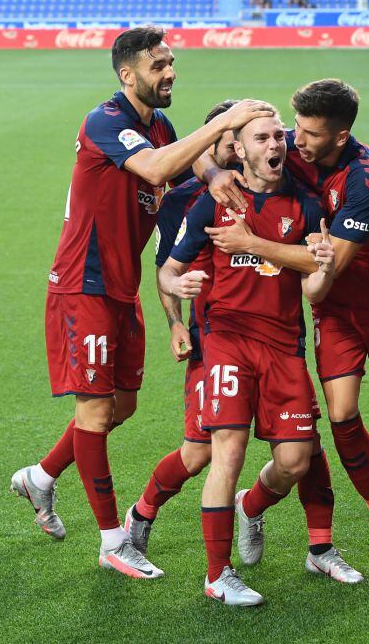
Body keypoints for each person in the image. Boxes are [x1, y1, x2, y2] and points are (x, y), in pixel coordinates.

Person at [8, 26, 271, 580]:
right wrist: (223, 123)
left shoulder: (159, 124)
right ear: (127, 74)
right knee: (96, 412)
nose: (170, 71)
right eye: (158, 65)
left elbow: (188, 162)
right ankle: (111, 539)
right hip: (84, 283)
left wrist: (218, 171)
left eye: (171, 62)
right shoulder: (106, 120)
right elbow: (155, 169)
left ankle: (41, 476)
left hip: (121, 287)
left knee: (121, 406)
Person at [205, 79, 369, 572]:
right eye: (295, 129)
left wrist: (251, 243)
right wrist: (209, 173)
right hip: (333, 311)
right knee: (341, 415)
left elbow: (332, 264)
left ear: (339, 136)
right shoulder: (289, 148)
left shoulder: (368, 176)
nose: (294, 142)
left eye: (308, 134)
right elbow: (208, 145)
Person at [162, 105, 362, 607]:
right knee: (225, 452)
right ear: (241, 150)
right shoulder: (213, 204)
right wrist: (178, 285)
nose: (275, 146)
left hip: (282, 344)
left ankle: (252, 506)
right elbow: (167, 270)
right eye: (262, 139)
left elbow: (314, 289)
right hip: (227, 340)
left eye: (279, 137)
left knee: (296, 459)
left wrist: (321, 269)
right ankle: (216, 574)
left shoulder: (306, 205)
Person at [121, 99, 238, 555]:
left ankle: (313, 541)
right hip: (212, 339)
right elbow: (164, 268)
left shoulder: (273, 184)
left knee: (300, 447)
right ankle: (144, 510)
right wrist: (174, 324)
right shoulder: (181, 201)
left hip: (275, 338)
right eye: (229, 136)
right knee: (199, 453)